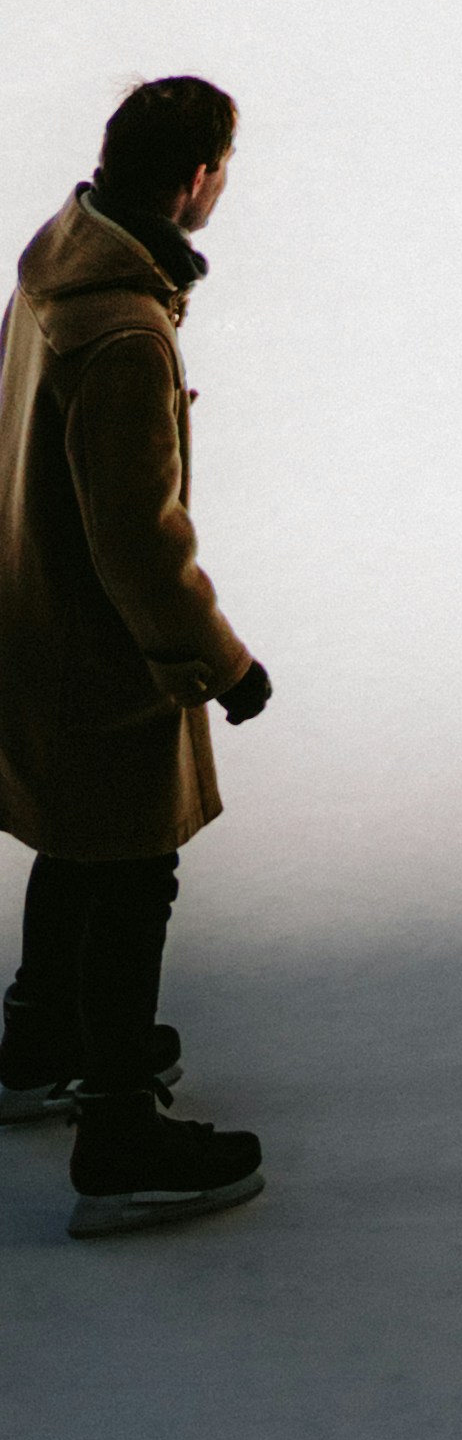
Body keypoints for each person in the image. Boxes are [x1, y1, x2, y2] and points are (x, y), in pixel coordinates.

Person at [0, 75, 272, 1237]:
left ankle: (41, 1039)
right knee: (131, 866)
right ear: (198, 177)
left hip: (31, 612)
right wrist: (220, 662)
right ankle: (117, 1133)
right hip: (99, 656)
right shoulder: (123, 333)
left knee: (78, 840)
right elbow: (138, 542)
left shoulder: (60, 257)